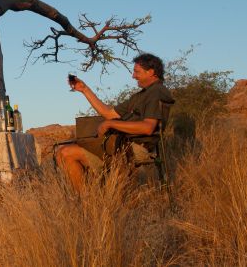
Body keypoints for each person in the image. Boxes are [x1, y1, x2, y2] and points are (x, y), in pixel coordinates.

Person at [55, 53, 174, 192]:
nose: (133, 76)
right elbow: (109, 113)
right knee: (63, 149)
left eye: (137, 72)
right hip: (120, 144)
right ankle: (90, 198)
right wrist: (84, 90)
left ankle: (85, 202)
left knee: (66, 153)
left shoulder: (156, 92)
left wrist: (111, 124)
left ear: (151, 72)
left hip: (134, 148)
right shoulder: (142, 95)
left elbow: (148, 127)